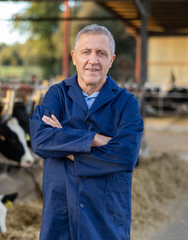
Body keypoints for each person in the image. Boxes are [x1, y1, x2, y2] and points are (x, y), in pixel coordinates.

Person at [29, 24, 144, 240]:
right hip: (60, 218)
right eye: (86, 52)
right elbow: (40, 139)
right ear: (74, 57)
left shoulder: (126, 103)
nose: (93, 60)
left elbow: (126, 156)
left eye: (101, 53)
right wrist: (96, 139)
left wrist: (65, 147)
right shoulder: (57, 95)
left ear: (112, 59)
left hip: (105, 220)